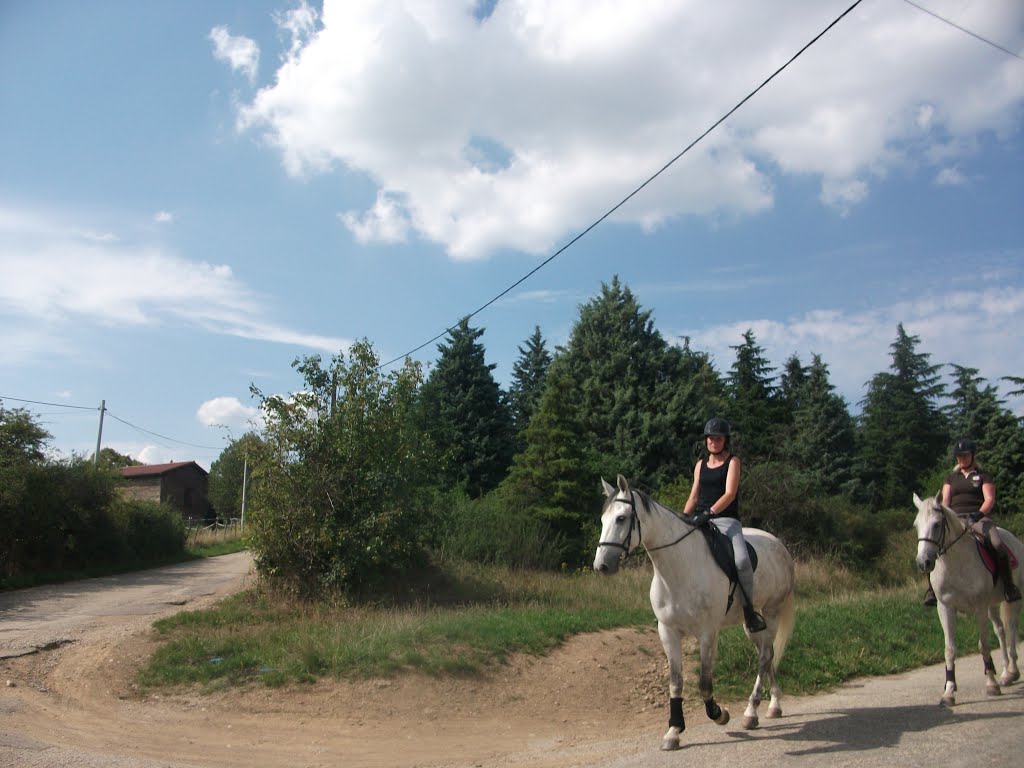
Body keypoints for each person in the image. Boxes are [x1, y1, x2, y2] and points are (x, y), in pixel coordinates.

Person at [682, 417, 767, 632]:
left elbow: (730, 494)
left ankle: (749, 611)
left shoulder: (733, 462)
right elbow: (694, 495)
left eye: (717, 438)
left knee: (741, 562)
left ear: (725, 440)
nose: (713, 442)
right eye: (710, 438)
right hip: (700, 520)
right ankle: (675, 608)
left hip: (727, 521)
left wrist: (710, 512)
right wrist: (684, 516)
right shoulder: (700, 465)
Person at [923, 438, 1021, 605]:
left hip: (978, 518)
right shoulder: (951, 478)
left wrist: (979, 513)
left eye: (965, 455)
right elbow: (946, 501)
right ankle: (932, 590)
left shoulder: (983, 476)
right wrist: (945, 516)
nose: (962, 459)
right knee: (929, 543)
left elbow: (989, 499)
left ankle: (1009, 586)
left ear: (972, 456)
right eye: (959, 456)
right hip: (955, 519)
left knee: (998, 545)